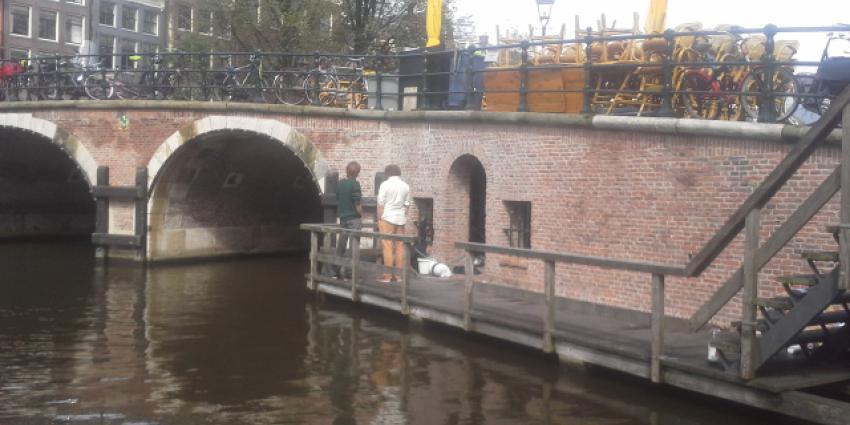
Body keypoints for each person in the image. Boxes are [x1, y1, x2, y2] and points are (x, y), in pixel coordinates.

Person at [377, 164, 411, 283]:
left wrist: (380, 218)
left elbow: (381, 203)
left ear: (387, 173)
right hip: (400, 219)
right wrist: (402, 215)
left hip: (387, 217)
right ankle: (398, 276)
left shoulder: (384, 185)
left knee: (387, 246)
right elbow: (407, 204)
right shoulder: (405, 186)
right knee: (400, 247)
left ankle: (387, 276)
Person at [331, 161, 363, 278]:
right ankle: (350, 273)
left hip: (343, 218)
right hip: (354, 218)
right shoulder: (355, 184)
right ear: (357, 173)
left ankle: (336, 271)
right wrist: (361, 214)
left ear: (347, 171)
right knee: (354, 246)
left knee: (341, 245)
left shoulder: (339, 184)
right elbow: (357, 204)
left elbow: (339, 199)